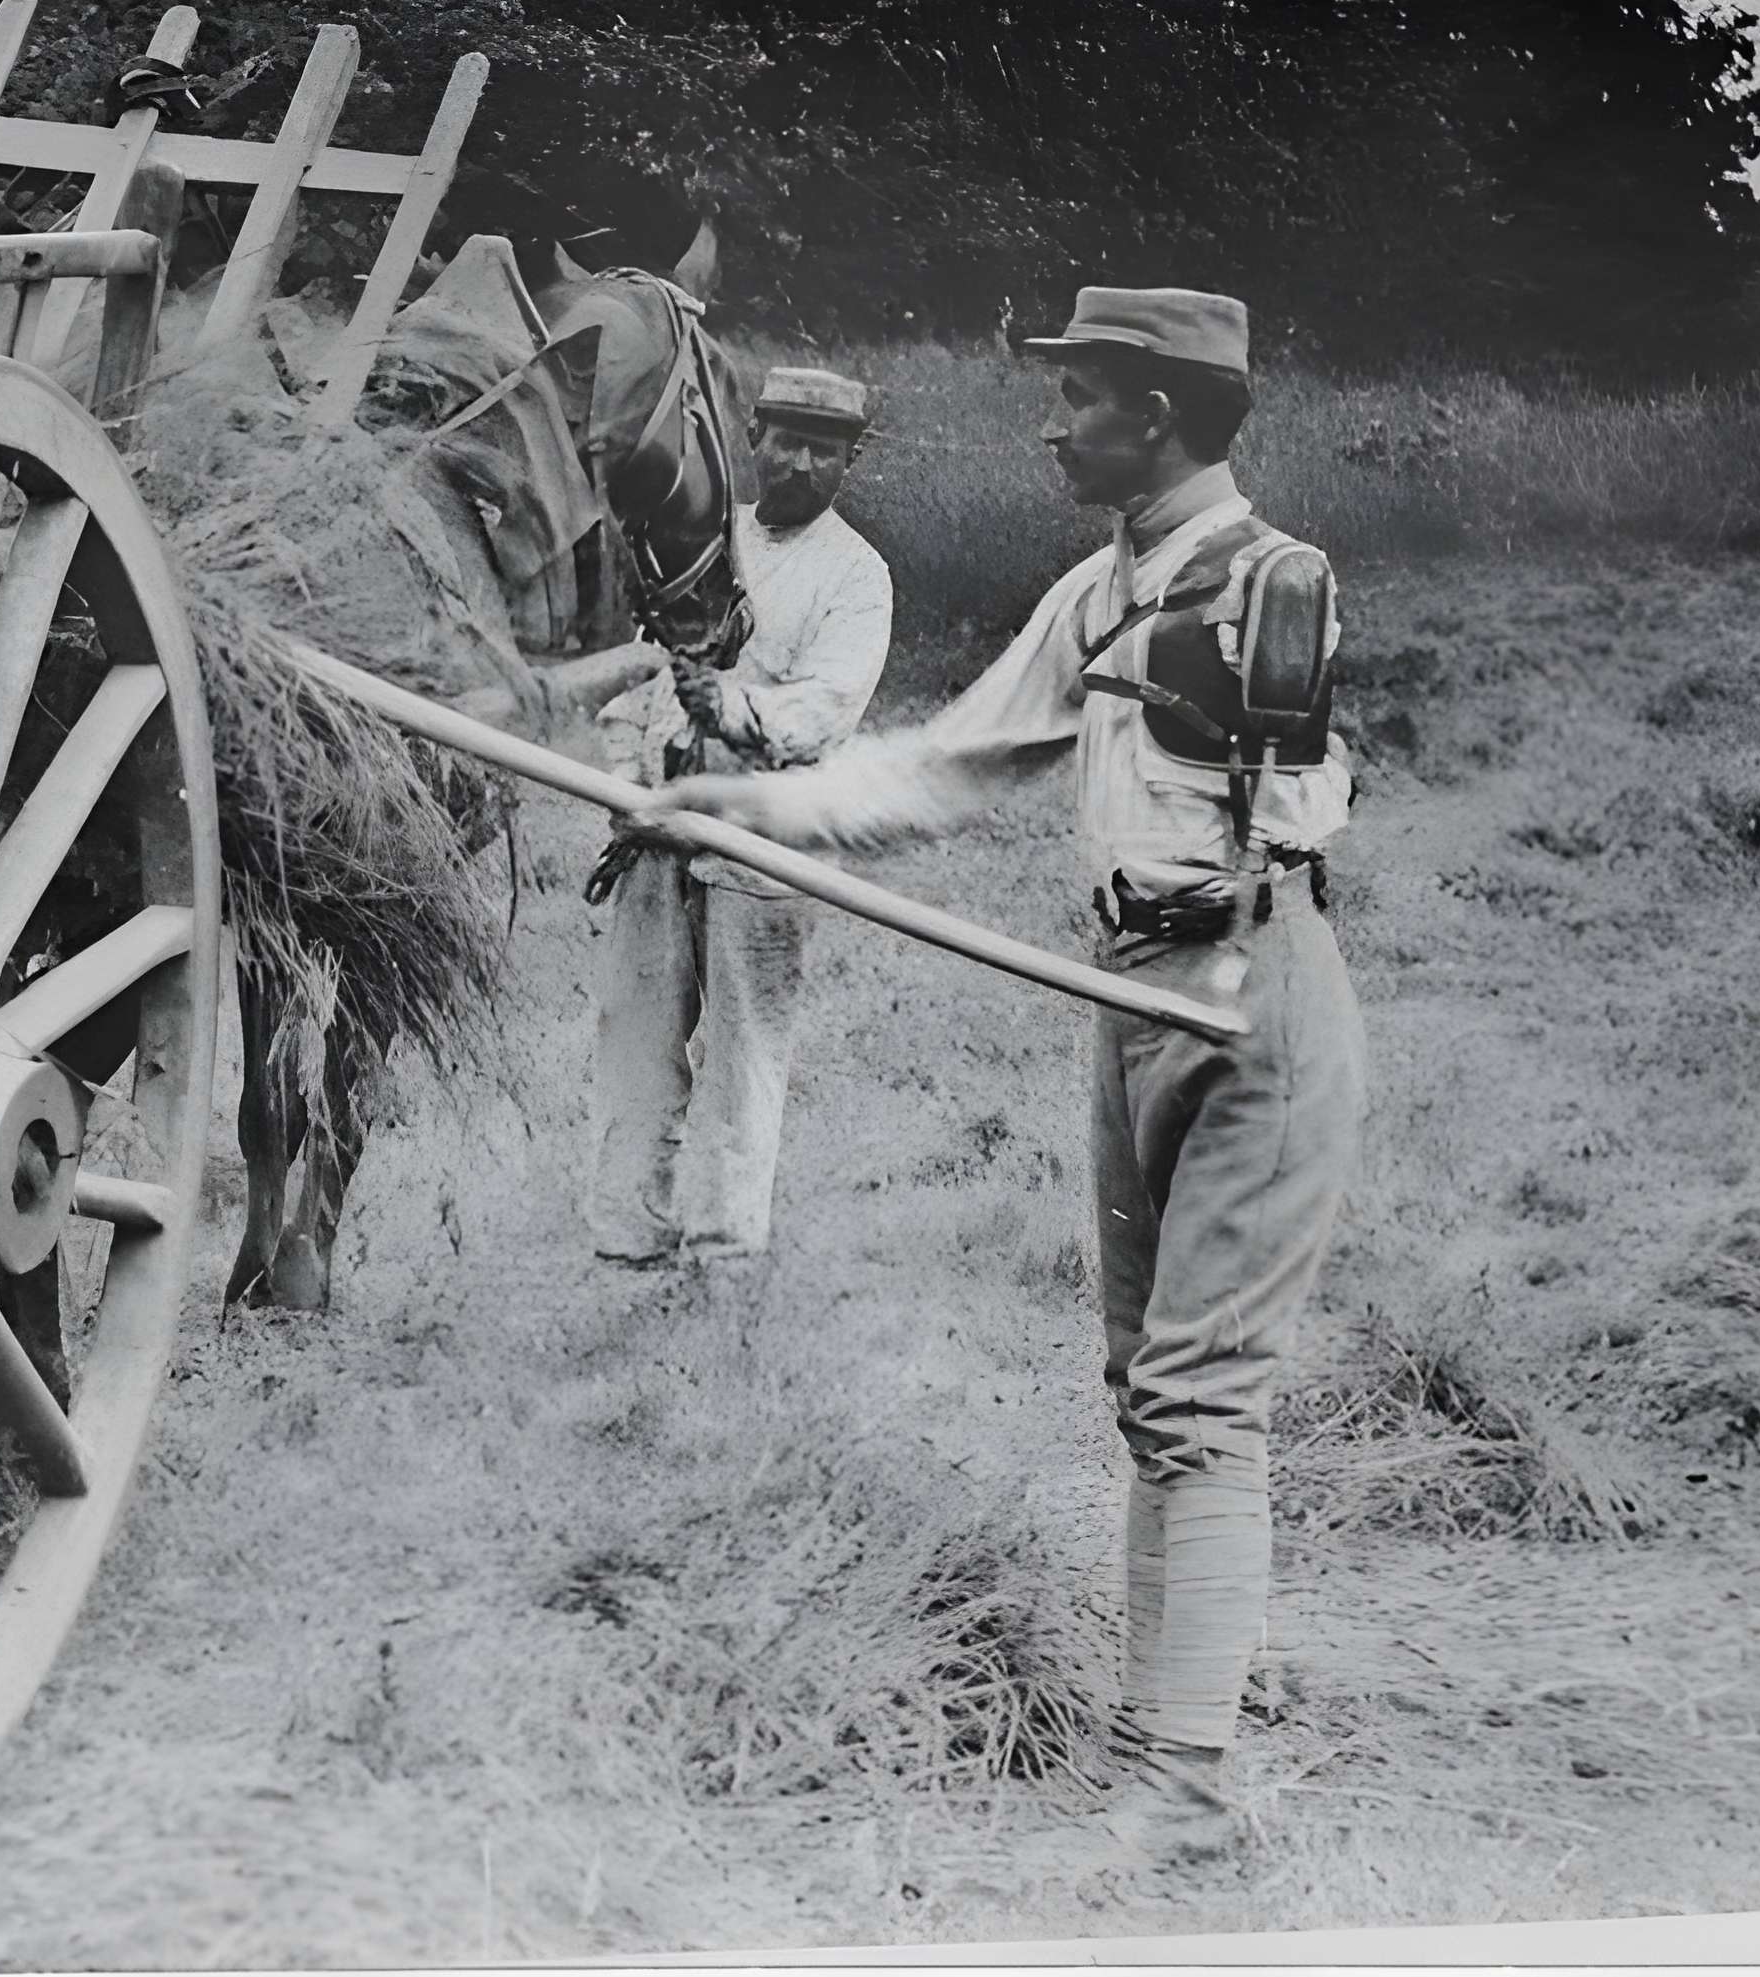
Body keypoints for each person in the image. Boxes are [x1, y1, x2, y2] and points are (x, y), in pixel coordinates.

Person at [618, 289, 1364, 1868]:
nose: (1050, 423)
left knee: (1198, 1399)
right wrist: (736, 810)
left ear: (1154, 417)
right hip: (1130, 988)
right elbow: (942, 771)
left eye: (1078, 397)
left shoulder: (1264, 584)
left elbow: (1295, 791)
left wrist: (1225, 705)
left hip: (1251, 998)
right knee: (1144, 1401)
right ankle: (1161, 1739)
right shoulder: (1098, 593)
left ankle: (1186, 1795)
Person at [584, 366, 894, 1269]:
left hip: (762, 848)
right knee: (634, 1045)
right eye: (786, 439)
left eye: (824, 449)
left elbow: (823, 713)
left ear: (850, 462)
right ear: (751, 437)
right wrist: (628, 786)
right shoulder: (697, 545)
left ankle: (721, 1261)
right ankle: (628, 1247)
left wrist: (727, 708)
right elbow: (630, 690)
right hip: (656, 837)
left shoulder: (855, 575)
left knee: (742, 1062)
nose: (800, 462)